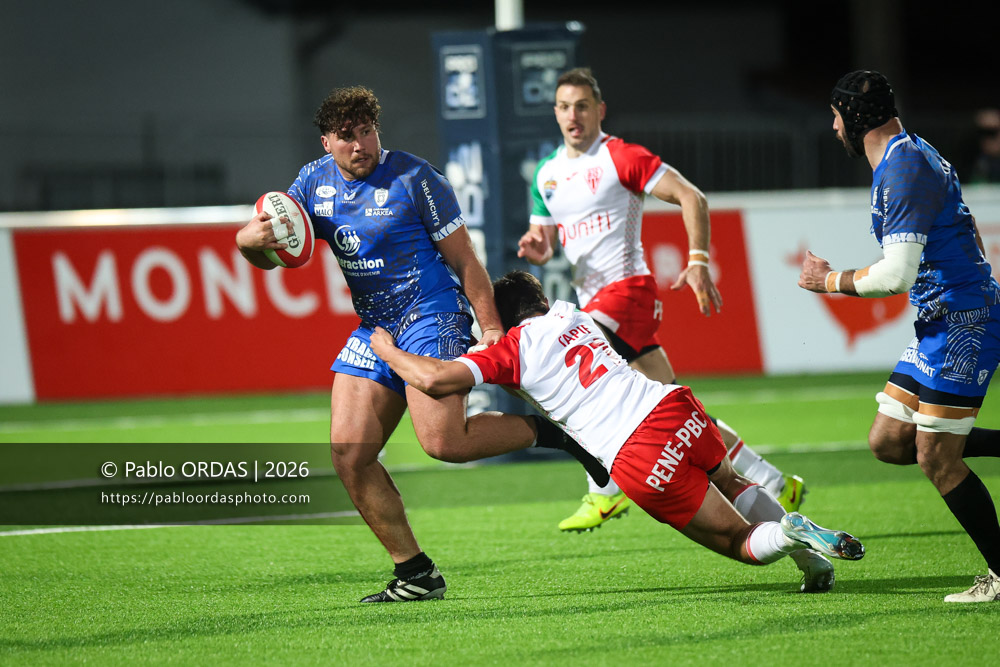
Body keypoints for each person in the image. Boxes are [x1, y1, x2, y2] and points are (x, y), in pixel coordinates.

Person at [235, 86, 589, 603]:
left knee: (444, 444)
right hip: (376, 327)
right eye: (346, 136)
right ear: (326, 141)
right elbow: (279, 246)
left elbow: (467, 261)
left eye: (366, 131)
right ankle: (416, 573)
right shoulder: (311, 182)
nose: (359, 144)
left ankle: (552, 434)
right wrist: (247, 243)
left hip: (432, 313)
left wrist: (489, 328)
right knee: (348, 455)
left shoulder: (416, 178)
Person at [370, 270, 865, 590]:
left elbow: (435, 380)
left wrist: (389, 350)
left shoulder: (512, 348)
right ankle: (813, 562)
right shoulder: (573, 313)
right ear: (540, 298)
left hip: (636, 451)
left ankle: (786, 533)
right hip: (674, 407)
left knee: (740, 542)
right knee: (733, 484)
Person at [517, 68, 806, 534]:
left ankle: (604, 492)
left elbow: (692, 197)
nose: (574, 115)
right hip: (596, 298)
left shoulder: (621, 157)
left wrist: (697, 260)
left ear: (599, 110)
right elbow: (546, 239)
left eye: (583, 105)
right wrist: (538, 245)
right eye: (565, 106)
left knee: (576, 376)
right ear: (555, 112)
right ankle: (774, 483)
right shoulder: (546, 174)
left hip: (628, 292)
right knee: (678, 410)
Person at [799, 70, 1000, 603]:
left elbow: (895, 276)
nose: (835, 125)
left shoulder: (903, 170)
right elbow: (967, 223)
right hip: (942, 320)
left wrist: (828, 281)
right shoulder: (909, 153)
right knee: (889, 442)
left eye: (837, 115)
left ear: (854, 118)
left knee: (937, 456)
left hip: (962, 323)